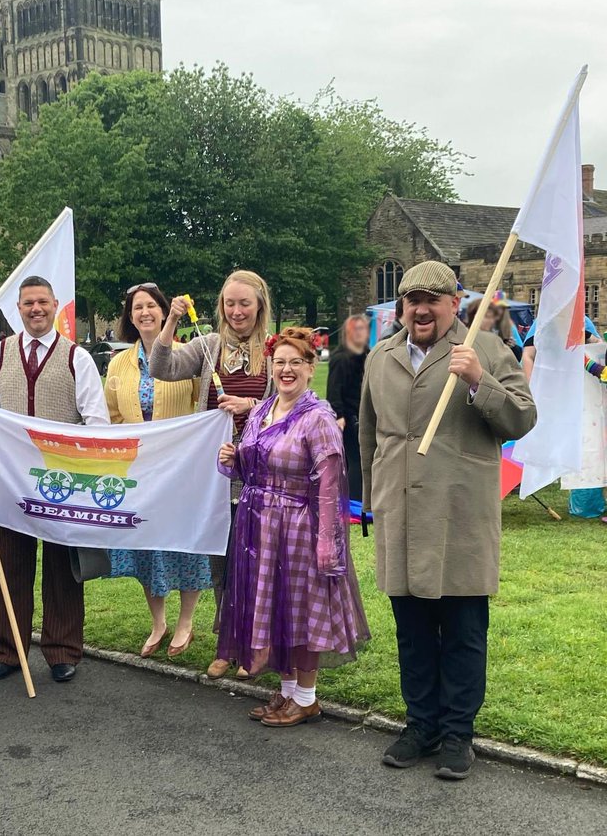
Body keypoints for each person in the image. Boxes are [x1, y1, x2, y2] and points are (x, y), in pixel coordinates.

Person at [360, 261, 536, 780]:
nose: (420, 308)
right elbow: (368, 437)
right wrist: (374, 499)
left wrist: (481, 382)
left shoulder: (484, 349)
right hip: (402, 511)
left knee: (462, 629)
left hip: (459, 512)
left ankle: (459, 732)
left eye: (432, 299)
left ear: (453, 304)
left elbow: (522, 419)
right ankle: (422, 724)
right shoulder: (381, 356)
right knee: (412, 630)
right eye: (412, 299)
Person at [0, 276, 109, 684]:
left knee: (62, 569)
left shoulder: (77, 358)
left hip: (61, 483)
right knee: (11, 567)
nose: (36, 309)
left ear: (55, 305)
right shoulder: (0, 355)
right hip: (10, 483)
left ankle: (62, 650)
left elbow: (96, 422)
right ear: (18, 308)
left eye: (42, 302)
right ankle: (10, 652)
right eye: (28, 303)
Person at [217, 327, 370, 727]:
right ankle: (286, 693)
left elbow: (329, 483)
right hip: (259, 527)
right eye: (280, 362)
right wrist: (231, 459)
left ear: (310, 367)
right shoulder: (263, 410)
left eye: (295, 363)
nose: (286, 370)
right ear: (270, 366)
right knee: (274, 609)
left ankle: (306, 697)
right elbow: (250, 469)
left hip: (298, 527)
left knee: (301, 611)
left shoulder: (317, 419)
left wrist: (327, 543)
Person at [150, 269, 274, 680]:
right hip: (218, 472)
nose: (237, 311)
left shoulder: (274, 353)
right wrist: (171, 319)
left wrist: (250, 407)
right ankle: (228, 643)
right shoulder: (208, 346)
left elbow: (296, 408)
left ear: (259, 306)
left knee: (256, 561)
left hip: (262, 472)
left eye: (245, 303)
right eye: (229, 303)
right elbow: (162, 367)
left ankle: (257, 644)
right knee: (221, 560)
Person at [103, 283, 207, 658]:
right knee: (148, 546)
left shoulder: (188, 355)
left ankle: (186, 621)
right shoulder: (118, 364)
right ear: (130, 317)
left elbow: (204, 404)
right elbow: (113, 416)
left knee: (184, 541)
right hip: (140, 471)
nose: (144, 312)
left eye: (151, 306)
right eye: (137, 308)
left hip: (182, 469)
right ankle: (159, 621)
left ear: (164, 311)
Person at [326, 315, 369, 501]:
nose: (359, 333)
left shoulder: (364, 354)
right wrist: (339, 415)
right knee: (354, 460)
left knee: (363, 459)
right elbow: (334, 389)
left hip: (363, 414)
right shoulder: (341, 358)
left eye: (362, 329)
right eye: (356, 330)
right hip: (349, 416)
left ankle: (360, 497)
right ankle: (354, 502)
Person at [476, 292, 523, 360]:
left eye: (502, 308)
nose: (499, 311)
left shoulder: (510, 326)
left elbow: (521, 352)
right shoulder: (480, 325)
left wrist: (513, 347)